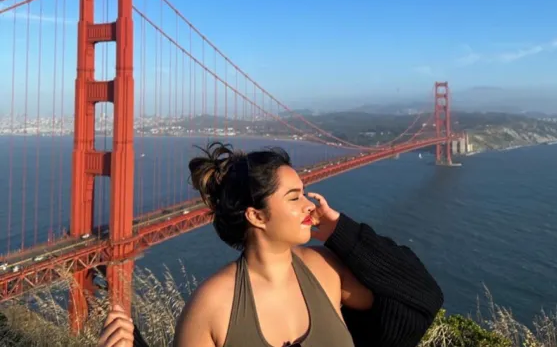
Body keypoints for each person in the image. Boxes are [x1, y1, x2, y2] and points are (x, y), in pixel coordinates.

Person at [98, 142, 444, 347]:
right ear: (257, 216)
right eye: (294, 197)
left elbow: (420, 296)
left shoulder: (325, 270)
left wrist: (340, 230)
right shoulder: (212, 306)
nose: (311, 204)